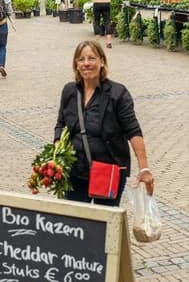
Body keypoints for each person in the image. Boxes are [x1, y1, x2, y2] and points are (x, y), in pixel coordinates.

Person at [54, 40, 154, 206]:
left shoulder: (117, 93)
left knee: (104, 224)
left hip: (107, 171)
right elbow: (60, 124)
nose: (86, 63)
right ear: (76, 65)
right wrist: (58, 146)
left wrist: (144, 168)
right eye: (81, 59)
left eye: (91, 58)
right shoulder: (69, 91)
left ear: (102, 61)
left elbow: (133, 131)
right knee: (76, 224)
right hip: (75, 171)